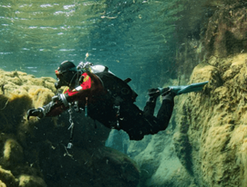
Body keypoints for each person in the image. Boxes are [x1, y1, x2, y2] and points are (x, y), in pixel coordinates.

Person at [26, 60, 177, 141]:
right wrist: (42, 112)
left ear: (68, 74)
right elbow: (59, 108)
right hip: (117, 120)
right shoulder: (71, 91)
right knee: (141, 129)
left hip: (122, 111)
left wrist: (67, 97)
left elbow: (92, 87)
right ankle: (153, 96)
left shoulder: (88, 77)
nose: (59, 80)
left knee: (158, 126)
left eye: (61, 76)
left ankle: (168, 96)